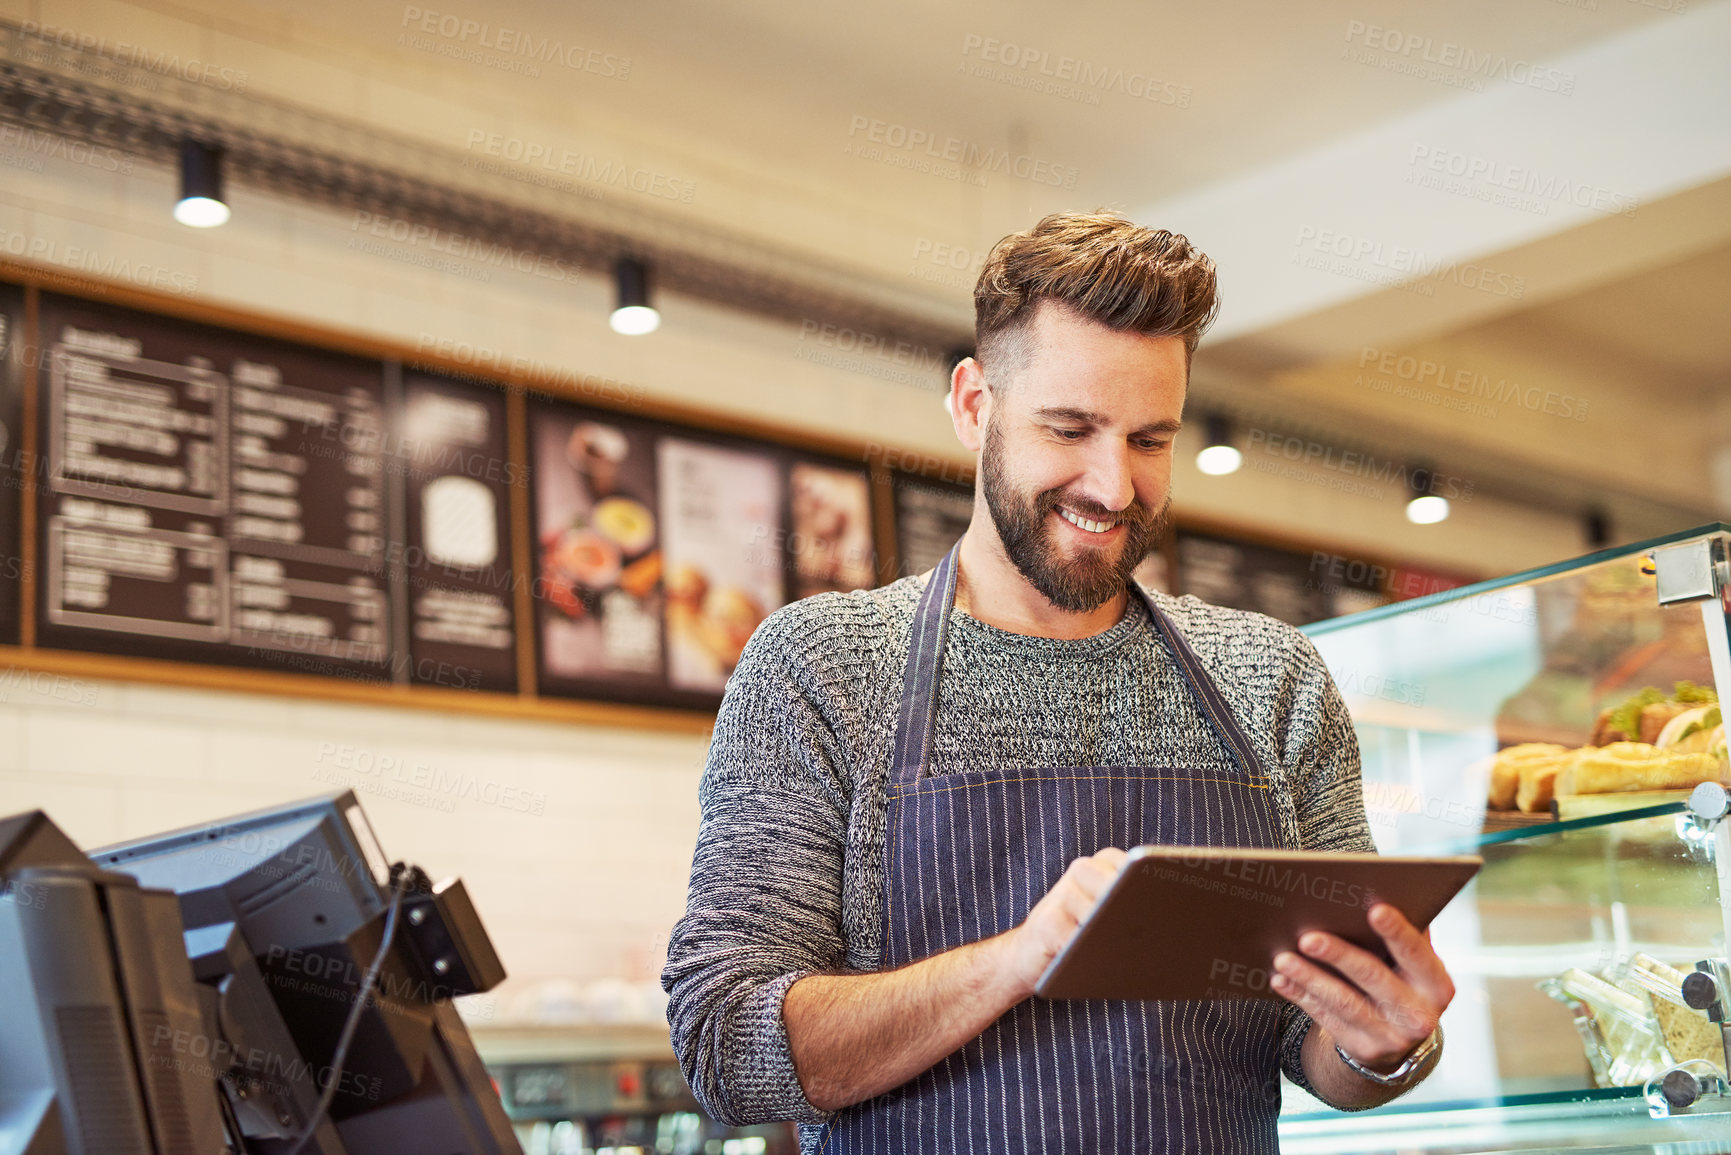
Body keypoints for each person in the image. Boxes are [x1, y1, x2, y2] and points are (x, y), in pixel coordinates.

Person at [662, 211, 1454, 1153]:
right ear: (972, 404)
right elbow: (727, 1048)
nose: (1113, 487)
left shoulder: (1268, 676)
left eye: (1150, 440)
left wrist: (1384, 1043)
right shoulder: (823, 666)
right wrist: (1022, 958)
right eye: (1068, 428)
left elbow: (1314, 1042)